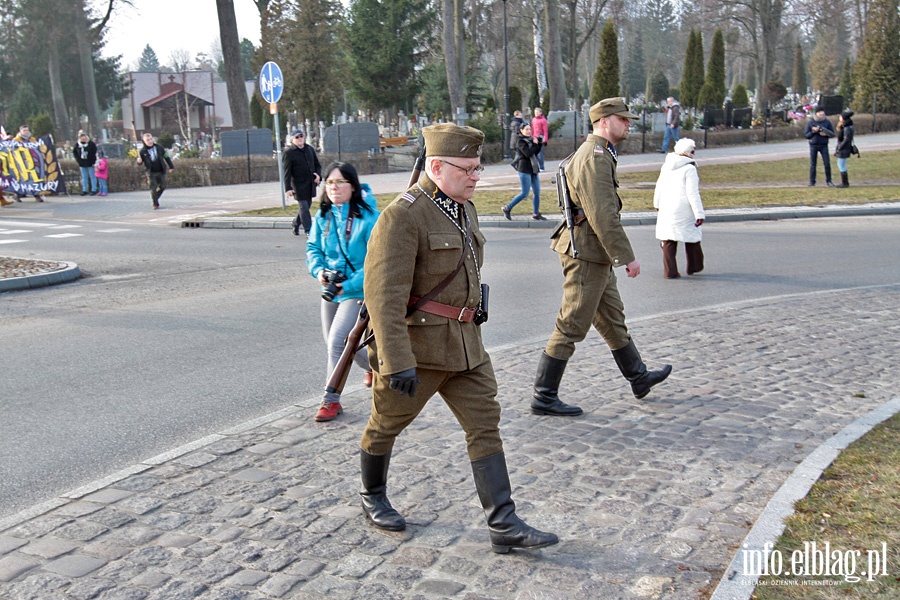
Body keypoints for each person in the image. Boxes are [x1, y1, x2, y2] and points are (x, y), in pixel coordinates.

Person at [359, 123, 558, 554]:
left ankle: (503, 523)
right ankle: (372, 495)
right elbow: (383, 299)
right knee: (387, 424)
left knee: (485, 424)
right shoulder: (402, 216)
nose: (476, 176)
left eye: (478, 167)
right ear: (436, 166)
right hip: (419, 351)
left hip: (466, 347)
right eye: (467, 168)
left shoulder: (463, 208)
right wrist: (395, 362)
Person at [531, 98, 672, 417]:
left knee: (611, 318)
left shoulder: (598, 152)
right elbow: (603, 214)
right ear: (605, 121)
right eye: (624, 119)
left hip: (593, 252)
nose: (629, 124)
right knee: (572, 322)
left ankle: (638, 377)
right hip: (586, 253)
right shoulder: (595, 157)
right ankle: (543, 395)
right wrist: (626, 257)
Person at [306, 162, 380, 422]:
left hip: (357, 289)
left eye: (340, 182)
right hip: (332, 288)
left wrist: (346, 285)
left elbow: (376, 261)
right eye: (329, 183)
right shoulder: (324, 216)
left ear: (353, 186)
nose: (334, 188)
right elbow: (313, 248)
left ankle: (330, 400)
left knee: (339, 341)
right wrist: (319, 272)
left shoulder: (371, 217)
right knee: (334, 344)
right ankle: (375, 365)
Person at [653, 138, 705, 279]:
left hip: (666, 205)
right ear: (688, 153)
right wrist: (699, 213)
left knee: (669, 239)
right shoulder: (690, 168)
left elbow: (659, 186)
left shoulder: (667, 165)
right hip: (683, 208)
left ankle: (670, 271)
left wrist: (657, 204)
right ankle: (694, 266)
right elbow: (692, 193)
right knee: (692, 236)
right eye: (693, 151)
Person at [501, 122, 546, 221]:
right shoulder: (520, 142)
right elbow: (528, 153)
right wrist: (535, 144)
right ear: (521, 130)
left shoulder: (531, 140)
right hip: (524, 169)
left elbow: (536, 151)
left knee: (537, 192)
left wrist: (539, 143)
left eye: (530, 129)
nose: (529, 131)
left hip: (533, 169)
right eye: (526, 129)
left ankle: (536, 213)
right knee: (525, 193)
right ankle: (507, 208)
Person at [283, 129, 322, 236]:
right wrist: (288, 188)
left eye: (301, 136)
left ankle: (295, 223)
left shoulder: (309, 149)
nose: (300, 139)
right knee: (304, 207)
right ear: (292, 140)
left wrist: (318, 175)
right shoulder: (289, 153)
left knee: (306, 206)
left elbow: (317, 165)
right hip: (297, 185)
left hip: (310, 183)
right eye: (297, 137)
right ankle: (309, 230)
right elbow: (287, 172)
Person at [136, 132, 175, 209]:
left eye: (151, 139)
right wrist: (139, 162)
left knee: (163, 186)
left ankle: (155, 197)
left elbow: (166, 157)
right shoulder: (142, 151)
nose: (150, 141)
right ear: (144, 141)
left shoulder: (159, 147)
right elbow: (140, 162)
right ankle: (155, 203)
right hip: (151, 172)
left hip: (160, 170)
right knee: (153, 188)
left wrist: (171, 166)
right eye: (148, 140)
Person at [11, 125, 42, 202]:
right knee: (22, 180)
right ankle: (17, 195)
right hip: (21, 162)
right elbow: (13, 150)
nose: (26, 132)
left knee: (34, 179)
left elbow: (37, 149)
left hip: (32, 162)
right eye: (24, 130)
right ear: (20, 131)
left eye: (27, 130)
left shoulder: (32, 139)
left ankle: (37, 195)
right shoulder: (16, 140)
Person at [805, 108, 835, 187]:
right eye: (819, 112)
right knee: (813, 164)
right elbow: (806, 135)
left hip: (824, 145)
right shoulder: (810, 123)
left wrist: (825, 133)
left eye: (822, 112)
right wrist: (814, 132)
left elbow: (832, 134)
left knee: (827, 163)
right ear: (816, 113)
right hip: (813, 145)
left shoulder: (827, 122)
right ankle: (812, 181)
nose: (821, 113)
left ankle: (829, 181)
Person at [833, 109, 855, 188]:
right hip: (844, 148)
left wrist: (840, 147)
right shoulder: (847, 126)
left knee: (841, 164)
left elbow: (846, 139)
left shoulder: (847, 127)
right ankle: (844, 182)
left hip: (844, 148)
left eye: (841, 116)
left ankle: (845, 182)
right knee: (841, 164)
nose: (839, 117)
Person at [73, 130, 99, 196]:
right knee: (84, 177)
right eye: (81, 137)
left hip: (90, 163)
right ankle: (84, 190)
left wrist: (94, 162)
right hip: (82, 163)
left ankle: (94, 189)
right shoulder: (77, 144)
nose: (83, 138)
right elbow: (75, 152)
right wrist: (78, 160)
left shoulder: (91, 144)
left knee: (92, 176)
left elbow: (94, 153)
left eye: (84, 136)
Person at [531, 107, 549, 171]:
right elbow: (532, 129)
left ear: (540, 113)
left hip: (541, 137)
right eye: (535, 112)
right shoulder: (533, 120)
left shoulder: (543, 120)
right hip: (535, 137)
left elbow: (545, 131)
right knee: (535, 153)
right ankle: (536, 166)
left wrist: (545, 139)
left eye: (537, 112)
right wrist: (532, 137)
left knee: (539, 153)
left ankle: (541, 167)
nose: (536, 113)